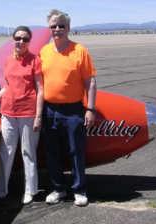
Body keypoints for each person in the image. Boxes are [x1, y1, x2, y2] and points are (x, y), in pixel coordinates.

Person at [0, 26, 44, 205]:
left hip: (28, 112)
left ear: (29, 41)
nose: (21, 42)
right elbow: (6, 88)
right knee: (5, 152)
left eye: (25, 39)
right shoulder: (8, 60)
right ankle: (0, 191)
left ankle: (30, 191)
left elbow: (40, 89)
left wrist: (38, 115)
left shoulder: (35, 60)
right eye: (17, 38)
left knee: (28, 152)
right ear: (13, 40)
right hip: (8, 112)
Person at [39, 9, 97, 206]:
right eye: (53, 26)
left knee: (75, 151)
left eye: (61, 25)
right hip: (49, 111)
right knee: (52, 152)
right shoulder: (44, 52)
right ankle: (58, 188)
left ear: (68, 27)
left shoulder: (79, 51)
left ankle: (79, 190)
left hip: (72, 111)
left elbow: (90, 82)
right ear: (49, 29)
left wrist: (90, 109)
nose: (57, 29)